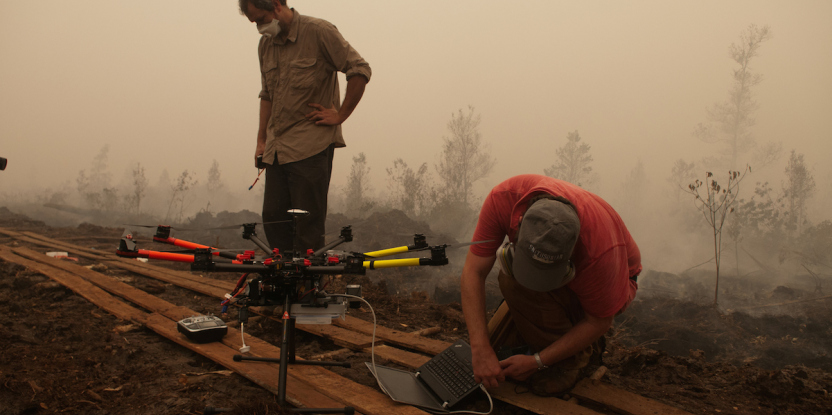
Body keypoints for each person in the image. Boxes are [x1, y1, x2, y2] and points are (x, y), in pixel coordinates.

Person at [460, 174, 641, 396]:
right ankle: (549, 330)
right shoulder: (503, 200)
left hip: (618, 281)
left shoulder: (599, 253)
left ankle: (575, 359)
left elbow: (600, 321)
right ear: (519, 223)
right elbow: (473, 271)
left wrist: (538, 361)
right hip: (579, 270)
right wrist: (480, 349)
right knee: (511, 280)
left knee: (523, 290)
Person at [239, 0, 371, 254]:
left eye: (260, 19)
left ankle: (308, 291)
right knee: (274, 221)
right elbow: (267, 94)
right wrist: (261, 141)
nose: (259, 27)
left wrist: (340, 115)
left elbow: (359, 69)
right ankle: (283, 287)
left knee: (308, 228)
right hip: (277, 149)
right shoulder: (266, 45)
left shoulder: (319, 32)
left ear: (277, 5)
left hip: (311, 147)